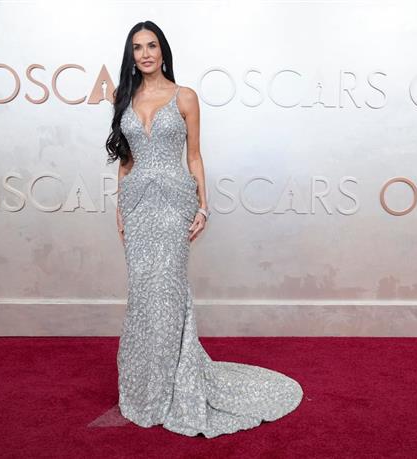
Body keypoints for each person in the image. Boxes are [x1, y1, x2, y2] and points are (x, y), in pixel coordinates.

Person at [105, 21, 303, 438]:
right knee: (142, 295)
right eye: (138, 47)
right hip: (137, 206)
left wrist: (204, 206)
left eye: (152, 45)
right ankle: (144, 386)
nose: (145, 54)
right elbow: (126, 160)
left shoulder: (185, 97)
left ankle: (175, 385)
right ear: (131, 55)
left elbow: (194, 156)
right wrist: (120, 207)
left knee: (169, 292)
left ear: (163, 50)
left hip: (174, 204)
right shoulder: (123, 97)